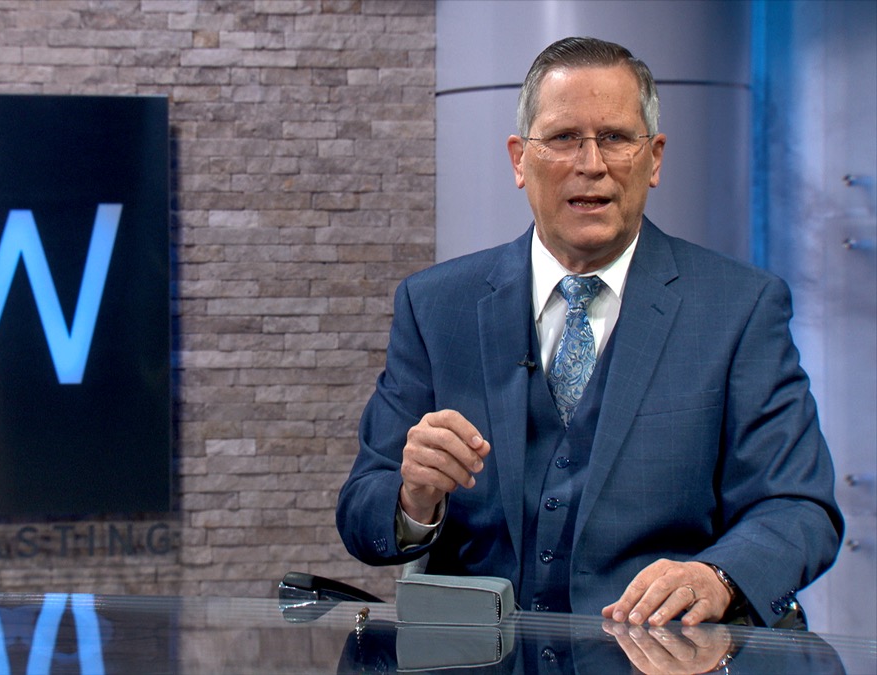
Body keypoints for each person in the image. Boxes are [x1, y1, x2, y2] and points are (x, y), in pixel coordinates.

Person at [336, 36, 842, 628]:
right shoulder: (434, 306)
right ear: (519, 160)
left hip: (663, 654)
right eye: (563, 138)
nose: (592, 164)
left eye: (617, 138)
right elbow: (362, 513)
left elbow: (798, 507)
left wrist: (719, 577)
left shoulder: (740, 308)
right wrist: (413, 499)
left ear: (654, 158)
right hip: (480, 658)